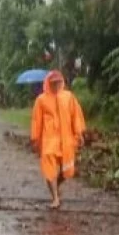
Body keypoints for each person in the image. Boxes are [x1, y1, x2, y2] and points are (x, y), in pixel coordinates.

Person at [29, 71, 85, 209]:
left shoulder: (68, 97)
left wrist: (79, 134)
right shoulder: (41, 100)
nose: (56, 85)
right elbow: (37, 120)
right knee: (49, 169)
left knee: (67, 170)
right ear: (48, 83)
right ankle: (55, 198)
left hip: (66, 139)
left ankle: (56, 188)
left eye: (58, 82)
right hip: (49, 140)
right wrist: (36, 139)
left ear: (62, 82)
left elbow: (75, 116)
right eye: (53, 83)